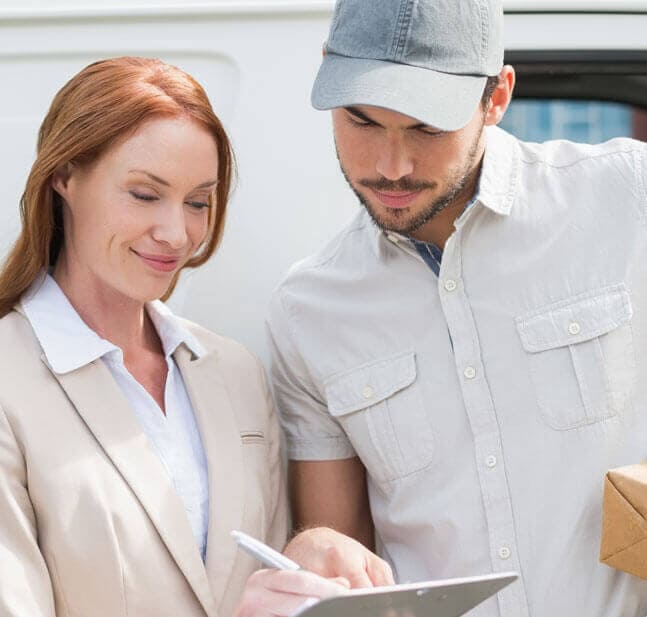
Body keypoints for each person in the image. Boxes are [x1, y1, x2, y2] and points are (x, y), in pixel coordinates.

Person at [267, 0, 647, 615]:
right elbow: (342, 561)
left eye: (426, 127)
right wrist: (311, 551)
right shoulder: (307, 310)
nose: (391, 167)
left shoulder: (628, 198)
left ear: (496, 98)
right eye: (362, 121)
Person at [0, 56, 356, 617]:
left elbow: (264, 585)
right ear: (63, 177)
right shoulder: (8, 378)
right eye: (145, 194)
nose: (176, 233)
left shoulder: (235, 373)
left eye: (198, 202)